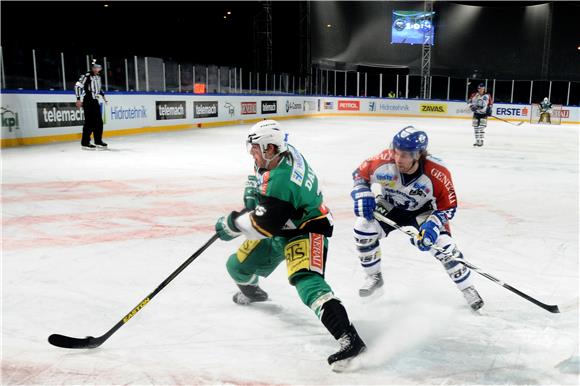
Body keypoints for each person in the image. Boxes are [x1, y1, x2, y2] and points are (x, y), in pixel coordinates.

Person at [214, 119, 366, 369]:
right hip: (281, 225)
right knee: (236, 266)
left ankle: (350, 339)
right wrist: (253, 195)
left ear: (270, 148)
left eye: (255, 148)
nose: (252, 153)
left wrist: (230, 225)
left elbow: (262, 226)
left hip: (307, 229)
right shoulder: (281, 153)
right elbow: (261, 189)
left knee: (308, 284)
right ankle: (254, 293)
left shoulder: (283, 179)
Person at [350, 126, 484, 311]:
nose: (398, 159)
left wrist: (433, 226)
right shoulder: (383, 160)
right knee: (363, 227)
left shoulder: (437, 172)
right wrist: (362, 192)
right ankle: (374, 277)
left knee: (444, 247)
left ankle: (468, 287)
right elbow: (359, 174)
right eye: (396, 152)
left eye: (404, 155)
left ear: (418, 154)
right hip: (391, 205)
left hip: (425, 212)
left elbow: (449, 206)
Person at [75, 60, 108, 150]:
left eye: (99, 67)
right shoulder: (87, 76)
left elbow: (98, 89)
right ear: (93, 68)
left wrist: (104, 96)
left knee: (99, 122)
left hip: (95, 101)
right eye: (96, 67)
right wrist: (78, 99)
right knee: (89, 122)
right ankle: (85, 142)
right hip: (88, 101)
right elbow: (77, 86)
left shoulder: (98, 77)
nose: (98, 69)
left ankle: (98, 140)